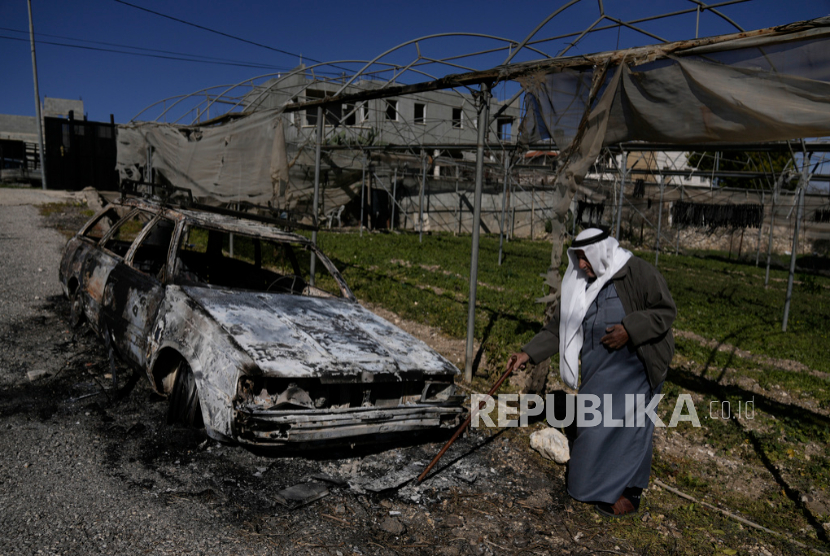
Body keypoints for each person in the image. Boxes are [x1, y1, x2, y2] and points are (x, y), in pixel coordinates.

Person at [506, 227, 676, 517]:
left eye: (585, 257)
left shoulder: (636, 272)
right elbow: (557, 329)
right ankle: (595, 483)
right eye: (578, 258)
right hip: (600, 370)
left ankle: (630, 492)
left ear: (601, 251)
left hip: (635, 368)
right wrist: (527, 354)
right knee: (592, 437)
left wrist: (629, 329)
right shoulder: (578, 284)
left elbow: (665, 311)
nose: (581, 265)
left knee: (633, 430)